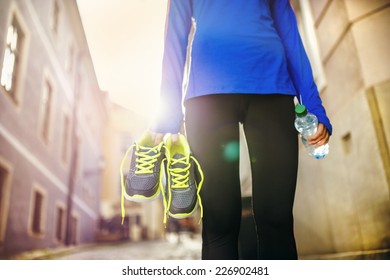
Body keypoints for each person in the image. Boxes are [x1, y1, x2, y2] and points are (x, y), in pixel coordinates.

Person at [149, 0, 332, 260]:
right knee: (219, 222)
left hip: (273, 87)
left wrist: (313, 105)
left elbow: (289, 30)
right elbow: (175, 35)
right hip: (207, 94)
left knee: (277, 219)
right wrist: (168, 111)